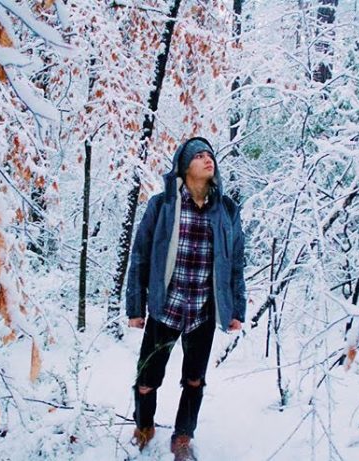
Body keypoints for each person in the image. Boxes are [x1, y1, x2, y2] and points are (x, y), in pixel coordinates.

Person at [126, 136, 247, 461]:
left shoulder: (227, 210)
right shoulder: (162, 205)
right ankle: (144, 425)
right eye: (200, 155)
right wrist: (135, 307)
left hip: (202, 314)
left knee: (195, 381)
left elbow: (235, 261)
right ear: (184, 165)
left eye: (211, 155)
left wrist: (236, 308)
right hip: (165, 310)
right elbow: (139, 255)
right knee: (146, 382)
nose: (209, 159)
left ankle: (182, 437)